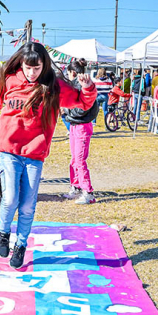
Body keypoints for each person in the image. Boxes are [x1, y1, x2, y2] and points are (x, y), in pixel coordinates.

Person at [0, 42, 97, 269]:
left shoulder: (53, 86)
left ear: (44, 65)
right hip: (8, 150)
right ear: (21, 64)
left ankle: (20, 245)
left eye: (36, 68)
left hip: (34, 154)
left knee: (28, 205)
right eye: (28, 68)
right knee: (10, 199)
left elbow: (82, 102)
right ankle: (3, 231)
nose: (31, 73)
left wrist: (88, 87)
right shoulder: (8, 80)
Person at [62, 59, 99, 205]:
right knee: (74, 159)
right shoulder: (74, 86)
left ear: (73, 72)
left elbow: (83, 108)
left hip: (82, 126)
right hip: (75, 125)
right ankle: (76, 186)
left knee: (79, 160)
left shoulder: (84, 87)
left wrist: (67, 112)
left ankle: (88, 192)